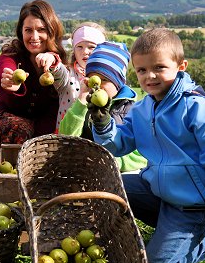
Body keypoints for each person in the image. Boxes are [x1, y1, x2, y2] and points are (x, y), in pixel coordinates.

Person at [88, 28, 205, 263]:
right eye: (142, 70)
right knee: (108, 187)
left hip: (193, 207)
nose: (150, 76)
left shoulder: (197, 107)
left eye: (159, 67)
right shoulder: (143, 109)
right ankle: (159, 229)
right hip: (160, 194)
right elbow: (119, 144)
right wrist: (103, 124)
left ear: (181, 66)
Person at [58, 41, 147, 172]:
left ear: (118, 83)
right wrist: (81, 101)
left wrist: (113, 161)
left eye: (104, 80)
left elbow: (142, 157)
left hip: (118, 175)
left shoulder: (132, 110)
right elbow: (65, 137)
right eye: (92, 79)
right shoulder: (86, 105)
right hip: (84, 170)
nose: (97, 85)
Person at [0, 0, 66, 144]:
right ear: (21, 31)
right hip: (7, 118)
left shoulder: (57, 62)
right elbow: (5, 67)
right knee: (18, 128)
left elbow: (54, 108)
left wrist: (53, 61)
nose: (34, 37)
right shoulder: (11, 56)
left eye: (41, 30)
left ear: (51, 31)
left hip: (43, 120)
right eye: (28, 30)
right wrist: (11, 80)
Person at [53, 22, 106, 132]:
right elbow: (58, 72)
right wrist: (52, 62)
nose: (85, 52)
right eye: (79, 47)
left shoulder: (106, 78)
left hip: (95, 137)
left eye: (91, 47)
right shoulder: (69, 74)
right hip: (68, 134)